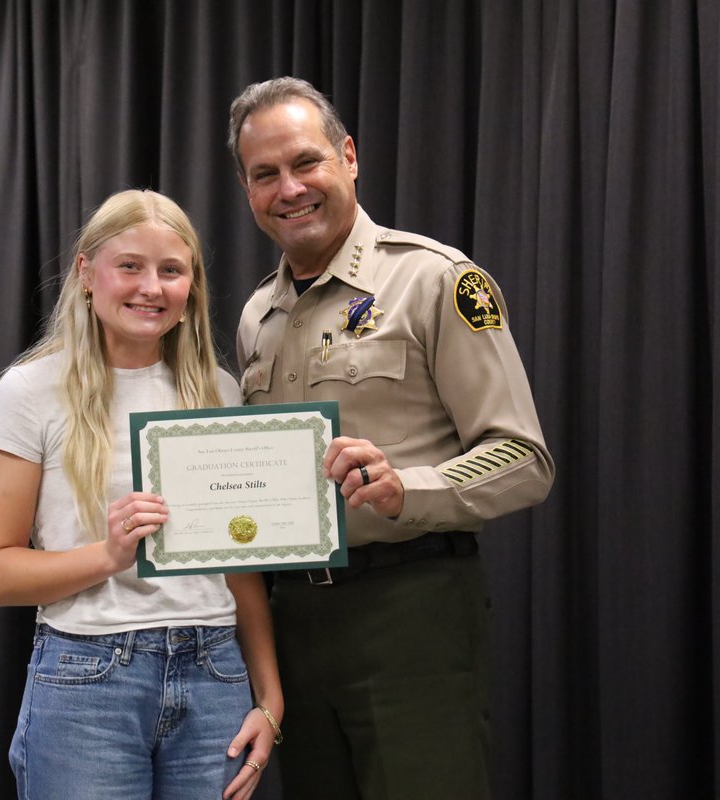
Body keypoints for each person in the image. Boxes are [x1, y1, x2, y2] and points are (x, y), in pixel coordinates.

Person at [227, 77, 555, 799]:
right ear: (247, 189)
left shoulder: (436, 281)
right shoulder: (259, 315)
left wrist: (412, 488)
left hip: (411, 610)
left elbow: (525, 459)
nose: (289, 188)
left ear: (348, 157)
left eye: (305, 162)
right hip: (295, 622)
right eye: (265, 175)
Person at [0, 189, 283, 800]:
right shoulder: (28, 392)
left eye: (171, 270)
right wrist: (108, 556)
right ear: (86, 272)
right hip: (89, 678)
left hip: (215, 675)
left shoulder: (218, 392)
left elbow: (240, 564)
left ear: (192, 286)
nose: (151, 287)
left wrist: (268, 697)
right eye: (130, 266)